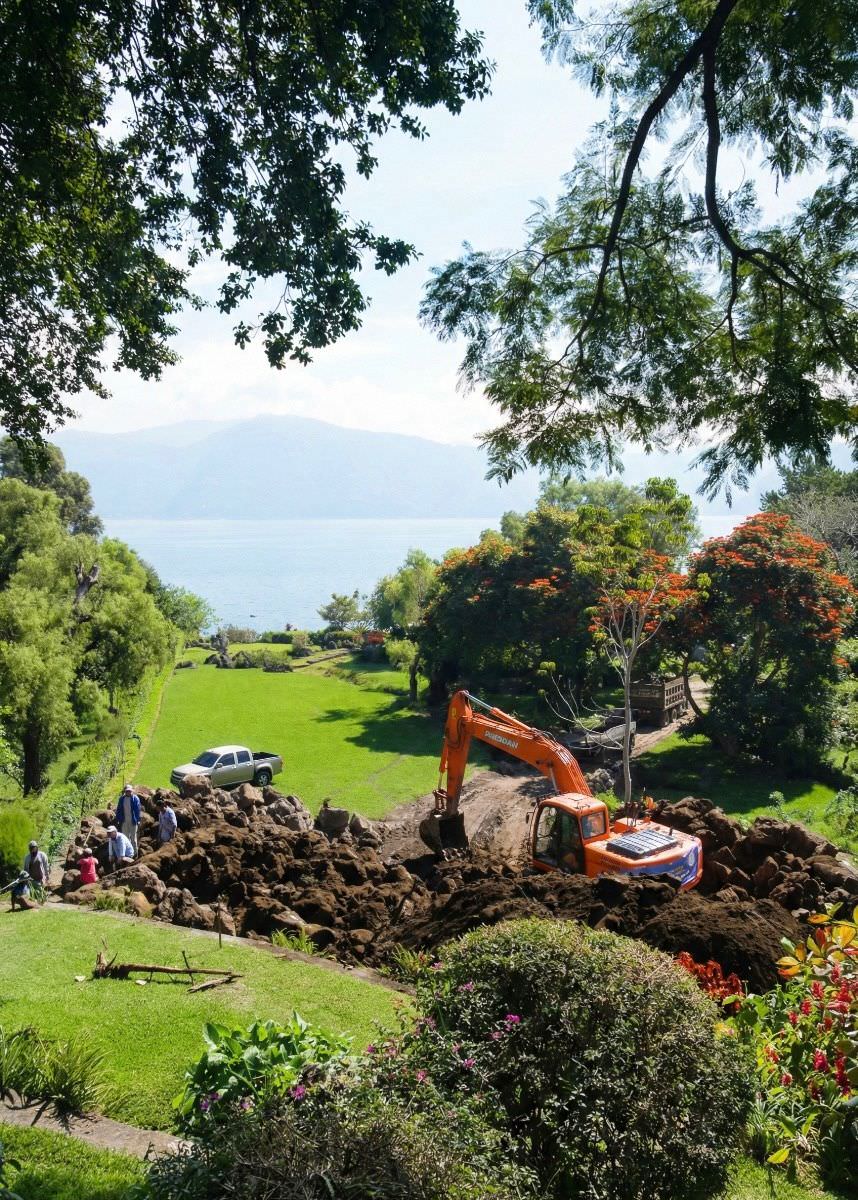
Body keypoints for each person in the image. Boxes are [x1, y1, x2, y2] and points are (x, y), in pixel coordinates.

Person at [114, 784, 141, 855]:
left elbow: (138, 810)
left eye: (129, 791)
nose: (128, 792)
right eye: (127, 791)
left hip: (133, 821)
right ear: (125, 792)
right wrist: (118, 819)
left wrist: (138, 820)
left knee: (133, 839)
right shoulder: (121, 799)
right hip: (124, 821)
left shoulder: (135, 799)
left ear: (132, 791)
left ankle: (135, 854)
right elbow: (119, 810)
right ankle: (128, 853)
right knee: (125, 838)